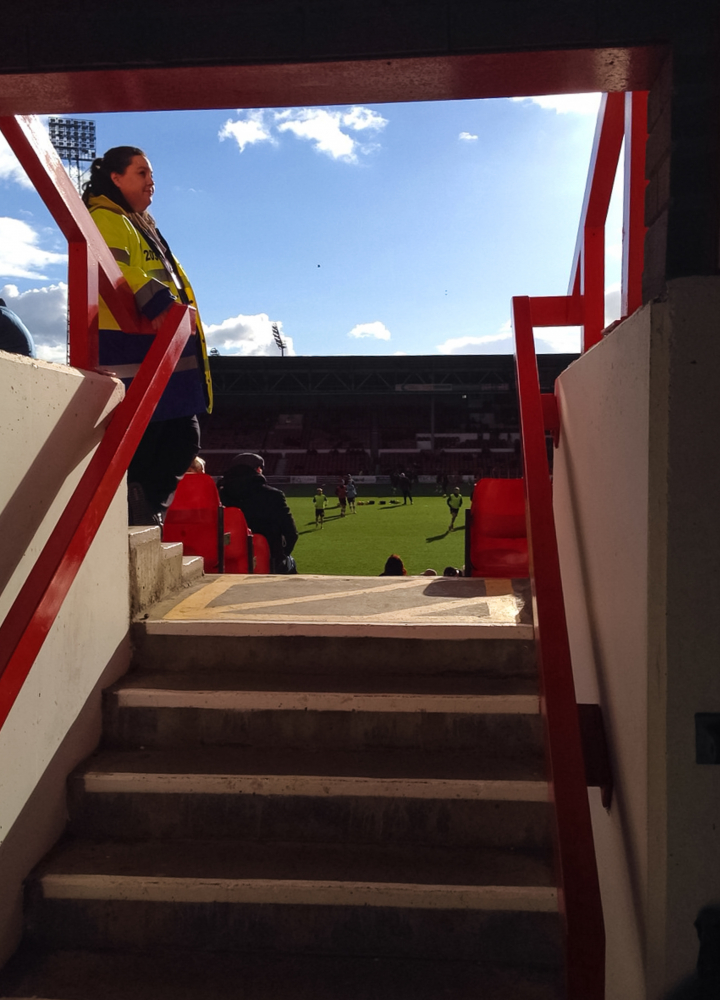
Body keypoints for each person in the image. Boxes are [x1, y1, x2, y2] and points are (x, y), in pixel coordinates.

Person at [82, 146, 212, 526]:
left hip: (161, 352)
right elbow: (115, 272)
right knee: (161, 439)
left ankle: (143, 506)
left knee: (179, 437)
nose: (150, 180)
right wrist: (161, 304)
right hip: (135, 352)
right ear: (116, 178)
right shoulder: (107, 218)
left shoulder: (138, 222)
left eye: (151, 174)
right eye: (141, 172)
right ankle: (135, 507)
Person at [217, 453, 298, 573]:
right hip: (268, 562)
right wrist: (280, 555)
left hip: (228, 561)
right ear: (258, 469)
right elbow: (291, 533)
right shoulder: (273, 495)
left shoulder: (219, 495)